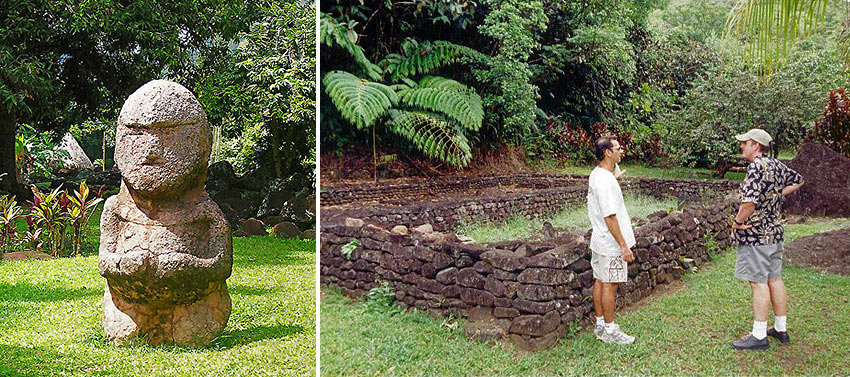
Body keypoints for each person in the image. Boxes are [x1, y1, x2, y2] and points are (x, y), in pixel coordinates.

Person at [730, 128, 804, 350]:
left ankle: (759, 335)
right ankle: (781, 329)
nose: (742, 146)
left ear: (756, 145)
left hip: (756, 235)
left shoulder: (755, 167)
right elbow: (799, 180)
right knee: (775, 279)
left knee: (758, 282)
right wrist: (778, 194)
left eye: (745, 143)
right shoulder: (776, 165)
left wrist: (737, 222)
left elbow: (749, 203)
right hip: (775, 233)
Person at [587, 136, 636, 345]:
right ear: (608, 152)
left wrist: (614, 177)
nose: (621, 151)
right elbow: (610, 216)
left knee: (600, 280)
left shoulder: (598, 175)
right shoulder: (605, 182)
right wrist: (623, 246)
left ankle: (600, 323)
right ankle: (610, 329)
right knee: (610, 284)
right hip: (611, 243)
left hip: (599, 240)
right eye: (618, 148)